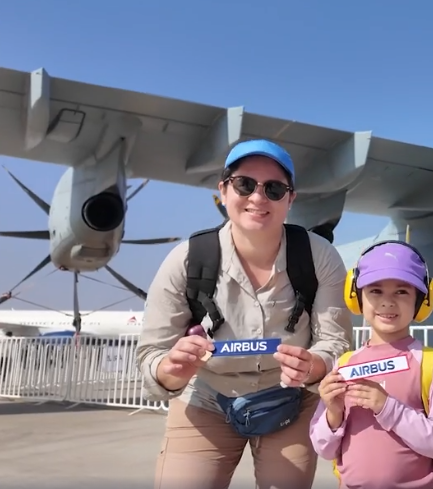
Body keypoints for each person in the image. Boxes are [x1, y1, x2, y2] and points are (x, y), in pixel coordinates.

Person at [135, 139, 354, 489]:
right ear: (223, 190)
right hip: (207, 396)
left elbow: (336, 343)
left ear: (290, 199)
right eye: (244, 184)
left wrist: (314, 365)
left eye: (274, 189)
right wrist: (170, 370)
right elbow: (152, 353)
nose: (258, 197)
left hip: (291, 398)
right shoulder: (186, 260)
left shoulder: (320, 257)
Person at [309, 241, 433, 489]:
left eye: (401, 291)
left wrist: (388, 408)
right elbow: (324, 449)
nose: (387, 302)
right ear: (356, 297)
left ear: (422, 300)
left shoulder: (430, 364)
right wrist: (333, 415)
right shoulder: (345, 364)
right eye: (375, 291)